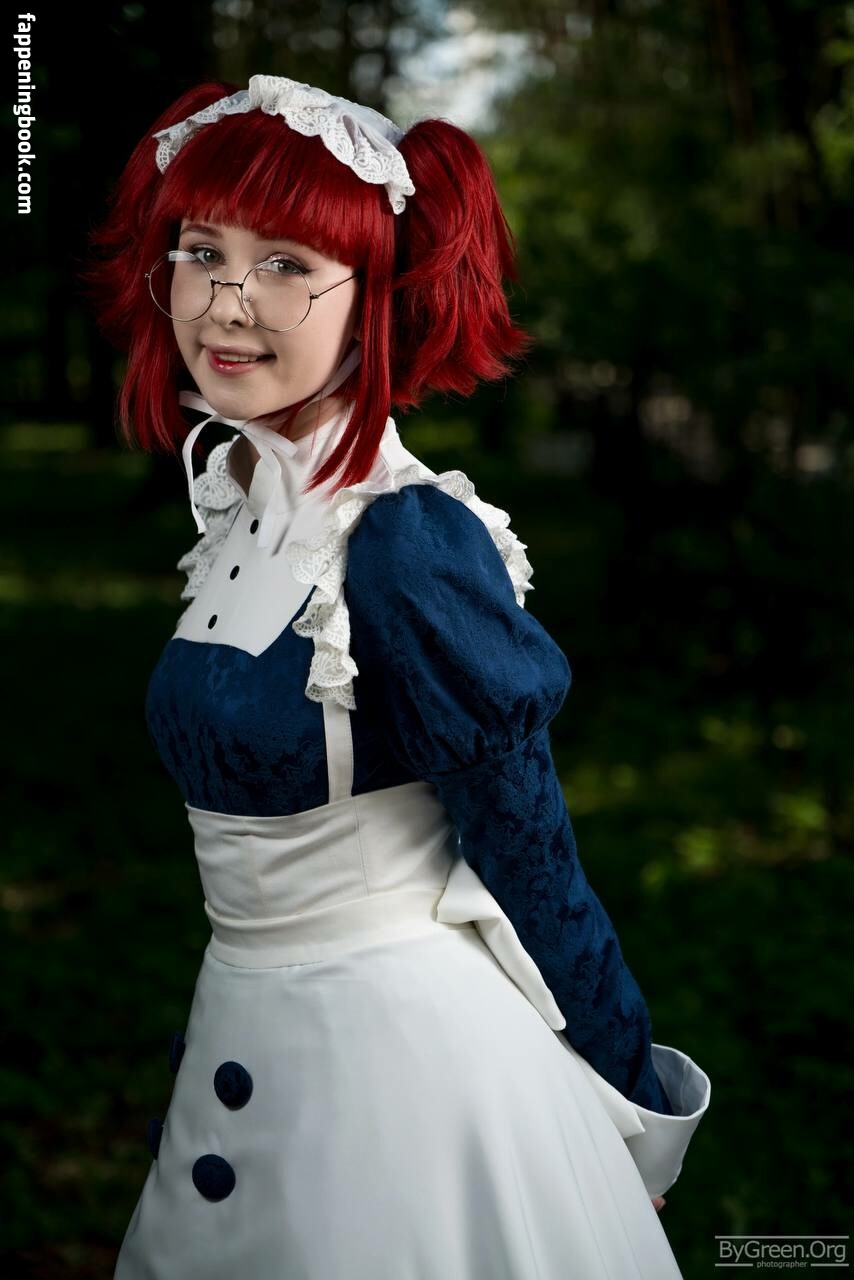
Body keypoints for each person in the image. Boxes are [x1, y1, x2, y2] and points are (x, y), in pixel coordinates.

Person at [81, 73, 711, 1279]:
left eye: (283, 264)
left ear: (374, 296)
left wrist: (634, 1105)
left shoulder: (403, 541)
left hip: (404, 1089)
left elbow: (529, 848)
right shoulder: (244, 498)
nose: (224, 299)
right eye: (201, 250)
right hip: (245, 1041)